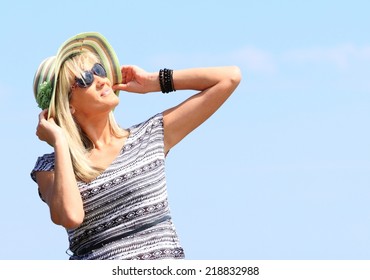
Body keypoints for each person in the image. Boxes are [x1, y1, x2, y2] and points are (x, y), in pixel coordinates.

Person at [31, 32, 241, 260]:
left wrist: (155, 82)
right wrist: (60, 142)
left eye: (99, 70)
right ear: (67, 104)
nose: (101, 80)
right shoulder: (50, 167)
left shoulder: (149, 136)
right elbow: (70, 216)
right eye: (85, 79)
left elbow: (229, 78)